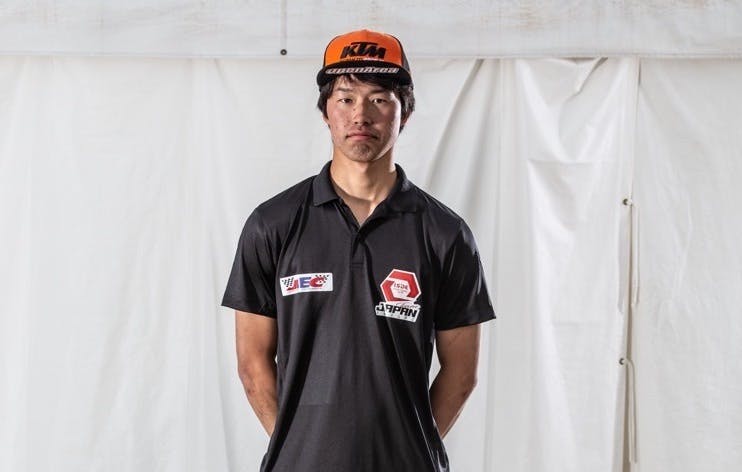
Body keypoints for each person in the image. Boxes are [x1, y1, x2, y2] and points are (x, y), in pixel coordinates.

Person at [222, 29, 495, 472]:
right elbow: (253, 364)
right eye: (345, 98)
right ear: (325, 111)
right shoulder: (272, 225)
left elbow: (461, 373)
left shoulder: (446, 234)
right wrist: (298, 448)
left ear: (405, 113)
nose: (360, 115)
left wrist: (409, 449)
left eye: (379, 99)